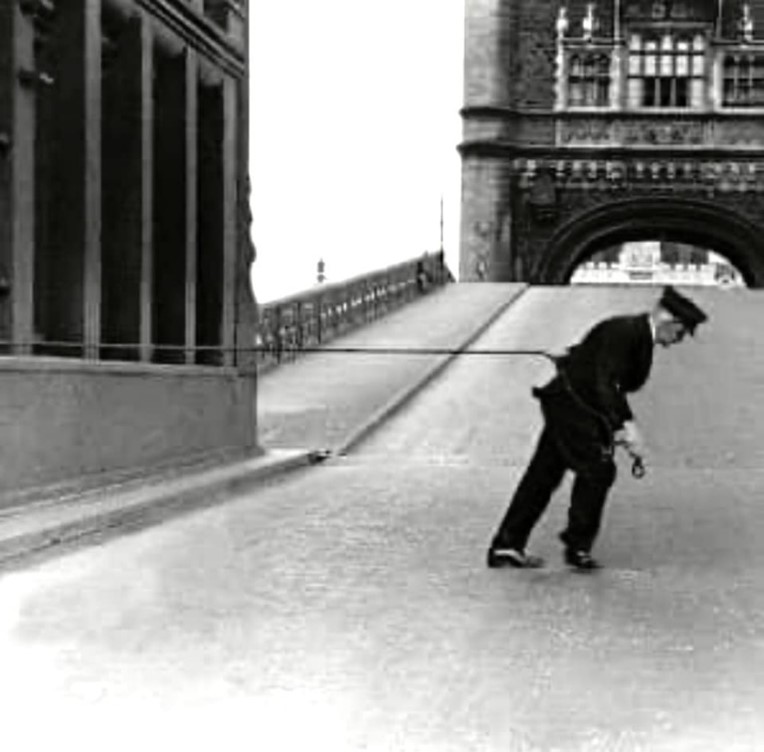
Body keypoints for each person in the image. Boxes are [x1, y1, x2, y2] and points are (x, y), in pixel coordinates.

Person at [487, 285, 708, 571]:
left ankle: (507, 545)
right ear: (670, 322)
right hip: (572, 408)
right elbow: (606, 380)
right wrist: (625, 426)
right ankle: (576, 546)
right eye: (680, 334)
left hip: (569, 404)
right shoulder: (627, 332)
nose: (676, 341)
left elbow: (594, 357)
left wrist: (567, 356)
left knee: (542, 476)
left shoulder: (632, 332)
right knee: (598, 470)